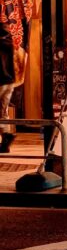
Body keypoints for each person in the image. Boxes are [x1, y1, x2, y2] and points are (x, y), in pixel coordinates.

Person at [0, 20, 15, 153]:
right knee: (3, 111)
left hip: (0, 80)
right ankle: (6, 137)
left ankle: (6, 136)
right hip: (9, 81)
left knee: (2, 111)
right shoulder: (9, 43)